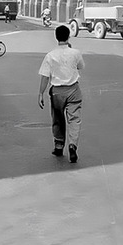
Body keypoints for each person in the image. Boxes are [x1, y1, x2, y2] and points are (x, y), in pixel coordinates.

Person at [38, 24, 85, 163]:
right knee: (74, 120)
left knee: (58, 119)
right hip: (73, 89)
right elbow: (81, 66)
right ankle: (72, 145)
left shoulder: (50, 55)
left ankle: (59, 145)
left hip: (57, 91)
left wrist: (41, 93)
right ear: (68, 36)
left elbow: (45, 76)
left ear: (56, 37)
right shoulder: (75, 52)